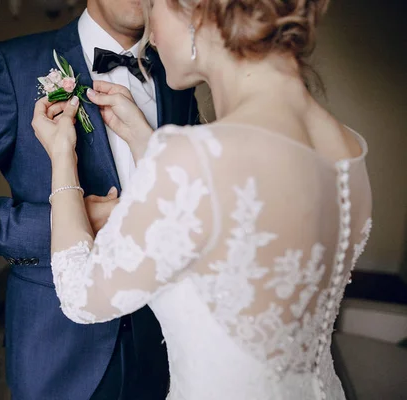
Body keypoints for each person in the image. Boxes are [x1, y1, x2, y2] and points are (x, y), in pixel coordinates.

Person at [31, 0, 373, 398]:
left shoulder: (191, 157)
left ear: (195, 10)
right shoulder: (347, 146)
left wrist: (62, 158)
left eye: (153, 4)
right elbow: (235, 234)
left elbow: (81, 296)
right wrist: (149, 144)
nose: (149, 33)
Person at [0, 0, 199, 399]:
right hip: (59, 342)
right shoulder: (16, 65)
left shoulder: (176, 72)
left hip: (167, 334)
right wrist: (72, 223)